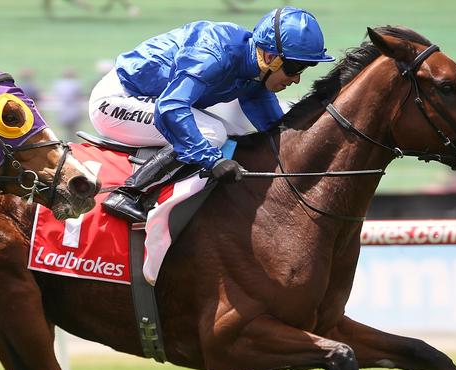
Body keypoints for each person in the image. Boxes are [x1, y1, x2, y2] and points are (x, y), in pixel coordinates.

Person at [88, 6, 334, 222]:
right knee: (211, 132)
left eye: (306, 67)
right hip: (117, 101)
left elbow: (275, 129)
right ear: (270, 57)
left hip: (154, 99)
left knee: (238, 128)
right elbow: (171, 107)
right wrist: (212, 161)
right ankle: (129, 194)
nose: (297, 78)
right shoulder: (213, 55)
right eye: (295, 67)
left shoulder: (255, 68)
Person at [52, 67, 86, 143]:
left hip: (62, 112)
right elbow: (80, 97)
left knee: (66, 133)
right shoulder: (76, 84)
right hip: (74, 111)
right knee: (74, 133)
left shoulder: (58, 84)